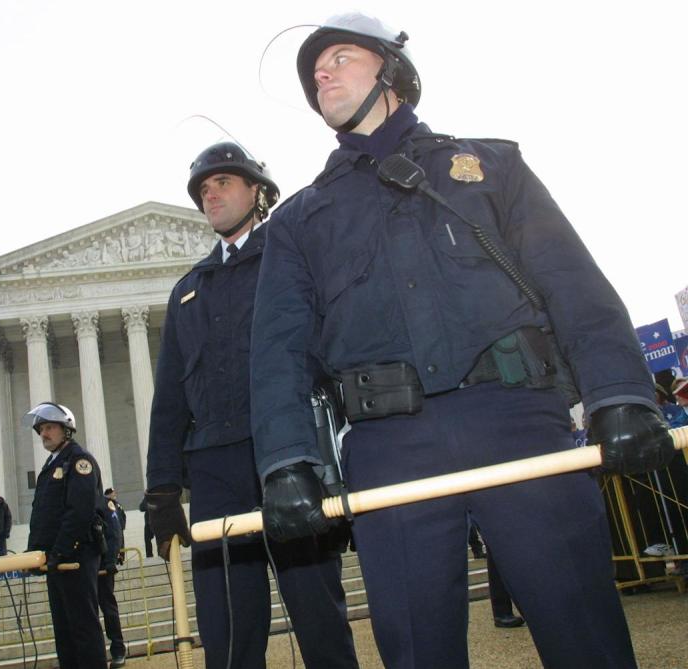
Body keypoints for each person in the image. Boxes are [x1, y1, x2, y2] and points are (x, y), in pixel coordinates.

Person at [250, 13, 675, 668]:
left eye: (338, 57)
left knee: (585, 636)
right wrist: (286, 461)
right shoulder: (299, 220)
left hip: (518, 424)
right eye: (314, 72)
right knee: (418, 653)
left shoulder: (491, 166)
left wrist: (621, 392)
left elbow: (571, 284)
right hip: (389, 449)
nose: (321, 74)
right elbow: (277, 353)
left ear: (391, 68)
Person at [144, 142, 359, 669]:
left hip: (284, 454)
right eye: (202, 190)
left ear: (257, 191)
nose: (209, 195)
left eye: (221, 183)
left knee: (316, 615)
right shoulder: (188, 291)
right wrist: (163, 488)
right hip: (214, 469)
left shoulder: (292, 256)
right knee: (228, 631)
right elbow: (170, 395)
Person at [25, 402, 107, 669]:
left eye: (49, 428)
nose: (44, 434)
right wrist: (36, 551)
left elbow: (80, 512)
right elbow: (44, 515)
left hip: (76, 555)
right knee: (65, 631)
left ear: (66, 430)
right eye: (41, 430)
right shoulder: (53, 464)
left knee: (83, 628)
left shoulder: (78, 461)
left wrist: (60, 550)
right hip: (56, 559)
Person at [99, 492, 127, 667]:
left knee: (109, 610)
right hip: (82, 566)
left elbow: (115, 532)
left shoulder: (105, 504)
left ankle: (118, 650)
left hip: (102, 566)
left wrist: (110, 560)